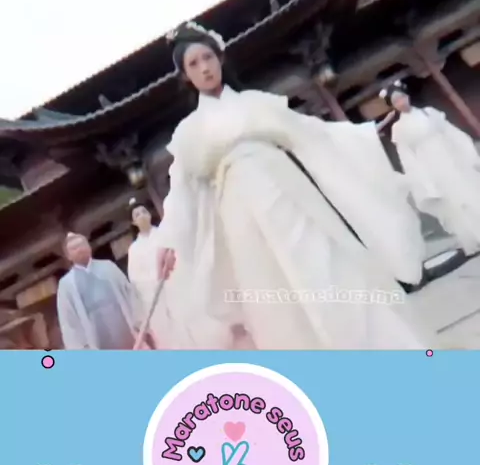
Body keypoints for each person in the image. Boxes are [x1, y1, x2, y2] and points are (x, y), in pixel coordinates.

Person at [153, 20, 434, 351]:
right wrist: (167, 241)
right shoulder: (189, 132)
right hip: (241, 218)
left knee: (324, 266)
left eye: (207, 57)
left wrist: (363, 134)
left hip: (289, 196)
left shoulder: (256, 102)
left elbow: (313, 132)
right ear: (186, 76)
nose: (204, 68)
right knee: (274, 293)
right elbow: (181, 192)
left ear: (220, 58)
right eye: (194, 64)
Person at [381, 81, 480, 257]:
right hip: (431, 166)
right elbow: (407, 158)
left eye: (402, 97)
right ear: (393, 106)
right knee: (455, 203)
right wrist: (423, 182)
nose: (401, 102)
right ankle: (474, 236)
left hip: (450, 156)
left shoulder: (429, 112)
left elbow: (450, 132)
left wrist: (466, 152)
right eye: (396, 101)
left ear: (407, 96)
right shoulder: (398, 128)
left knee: (471, 191)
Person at [57, 232, 143, 350]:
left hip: (125, 331)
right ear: (68, 256)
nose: (80, 249)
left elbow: (129, 293)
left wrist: (139, 322)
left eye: (82, 245)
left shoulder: (108, 266)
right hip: (95, 341)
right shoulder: (66, 284)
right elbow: (69, 321)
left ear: (89, 246)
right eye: (74, 248)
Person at [127, 199, 182, 348]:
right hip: (153, 296)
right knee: (167, 336)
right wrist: (154, 280)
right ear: (133, 222)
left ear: (150, 214)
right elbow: (135, 278)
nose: (142, 216)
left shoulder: (164, 235)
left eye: (144, 211)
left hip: (175, 287)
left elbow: (177, 255)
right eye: (137, 215)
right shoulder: (134, 249)